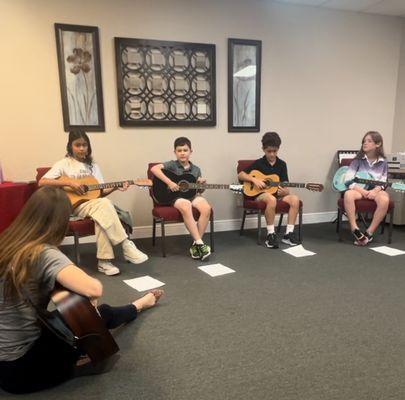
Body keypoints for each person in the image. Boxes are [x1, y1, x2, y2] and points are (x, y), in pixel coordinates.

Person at [0, 186, 163, 394]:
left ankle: (137, 305)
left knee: (80, 310)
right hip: (22, 371)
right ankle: (139, 305)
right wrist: (89, 298)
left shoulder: (7, 242)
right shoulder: (42, 252)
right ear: (60, 222)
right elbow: (93, 287)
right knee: (94, 315)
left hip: (4, 368)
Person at [39, 131, 148, 276]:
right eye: (78, 145)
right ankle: (125, 244)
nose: (82, 148)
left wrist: (117, 186)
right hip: (73, 206)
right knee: (104, 205)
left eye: (85, 145)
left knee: (102, 210)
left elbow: (100, 192)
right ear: (70, 146)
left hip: (94, 205)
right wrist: (69, 182)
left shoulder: (93, 166)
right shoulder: (63, 164)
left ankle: (105, 263)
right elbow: (42, 182)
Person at [151, 137, 211, 260]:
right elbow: (154, 169)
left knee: (206, 208)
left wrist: (202, 185)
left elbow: (199, 191)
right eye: (179, 150)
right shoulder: (172, 165)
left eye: (185, 150)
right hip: (176, 197)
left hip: (192, 196)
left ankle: (196, 244)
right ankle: (200, 243)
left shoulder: (196, 169)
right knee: (185, 205)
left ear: (190, 152)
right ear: (175, 152)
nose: (182, 153)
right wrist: (169, 182)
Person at [238, 131, 301, 249]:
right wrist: (254, 180)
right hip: (261, 195)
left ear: (278, 149)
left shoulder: (282, 164)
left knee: (295, 199)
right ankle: (270, 234)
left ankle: (288, 234)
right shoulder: (258, 163)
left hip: (277, 194)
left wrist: (286, 191)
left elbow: (285, 184)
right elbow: (241, 175)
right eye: (269, 151)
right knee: (271, 199)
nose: (272, 154)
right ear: (263, 149)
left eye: (275, 151)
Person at [343, 131, 390, 245]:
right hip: (359, 190)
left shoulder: (383, 162)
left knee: (385, 199)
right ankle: (355, 229)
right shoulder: (357, 160)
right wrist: (363, 191)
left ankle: (369, 232)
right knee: (348, 194)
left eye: (369, 141)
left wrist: (375, 191)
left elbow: (384, 181)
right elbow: (348, 180)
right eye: (364, 141)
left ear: (378, 144)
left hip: (376, 191)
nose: (365, 143)